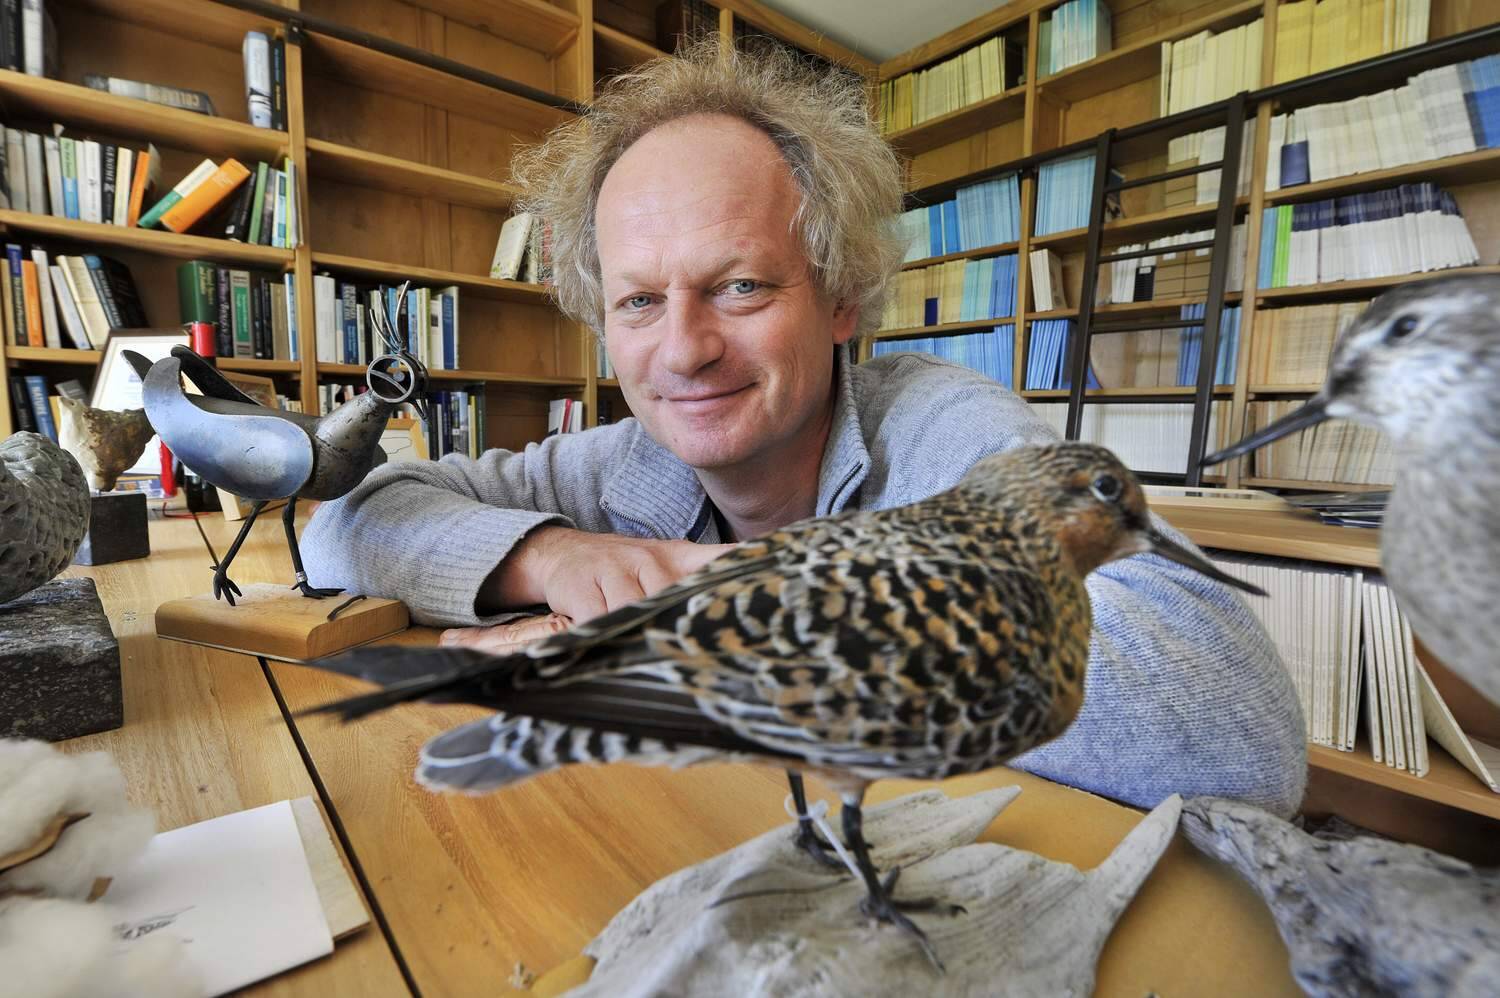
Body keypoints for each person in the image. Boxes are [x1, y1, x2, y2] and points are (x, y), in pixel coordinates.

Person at [302, 38, 1306, 817]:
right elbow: (345, 518)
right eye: (640, 301)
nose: (684, 350)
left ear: (841, 297)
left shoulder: (951, 435)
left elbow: (1237, 728)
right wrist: (552, 555)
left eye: (738, 286)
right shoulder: (621, 462)